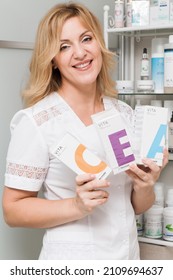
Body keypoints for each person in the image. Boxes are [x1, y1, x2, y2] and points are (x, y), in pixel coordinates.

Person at [2, 2, 168, 260]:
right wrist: (76, 205)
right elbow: (12, 211)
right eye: (64, 46)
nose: (80, 53)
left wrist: (145, 185)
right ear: (53, 60)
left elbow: (134, 206)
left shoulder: (123, 114)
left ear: (99, 44)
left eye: (86, 39)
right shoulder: (36, 121)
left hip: (127, 261)